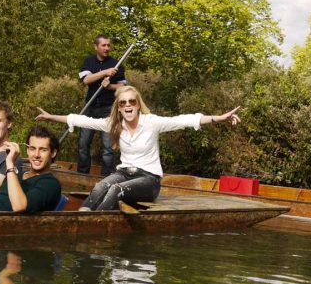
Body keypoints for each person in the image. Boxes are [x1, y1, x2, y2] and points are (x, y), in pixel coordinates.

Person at [36, 85, 241, 211]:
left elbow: (184, 120)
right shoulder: (114, 124)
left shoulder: (152, 122)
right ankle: (83, 216)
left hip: (148, 180)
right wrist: (51, 116)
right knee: (100, 186)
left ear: (137, 104)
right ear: (119, 107)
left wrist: (218, 118)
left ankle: (96, 220)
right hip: (124, 174)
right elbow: (83, 120)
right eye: (123, 102)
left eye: (131, 102)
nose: (127, 105)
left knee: (116, 189)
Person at [78, 34, 128, 176]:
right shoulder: (89, 62)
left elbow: (122, 86)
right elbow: (86, 80)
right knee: (83, 144)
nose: (107, 48)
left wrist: (109, 86)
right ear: (96, 47)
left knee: (108, 148)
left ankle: (106, 178)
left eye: (108, 45)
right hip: (90, 107)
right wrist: (105, 72)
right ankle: (82, 176)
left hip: (108, 109)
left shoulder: (117, 64)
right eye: (104, 45)